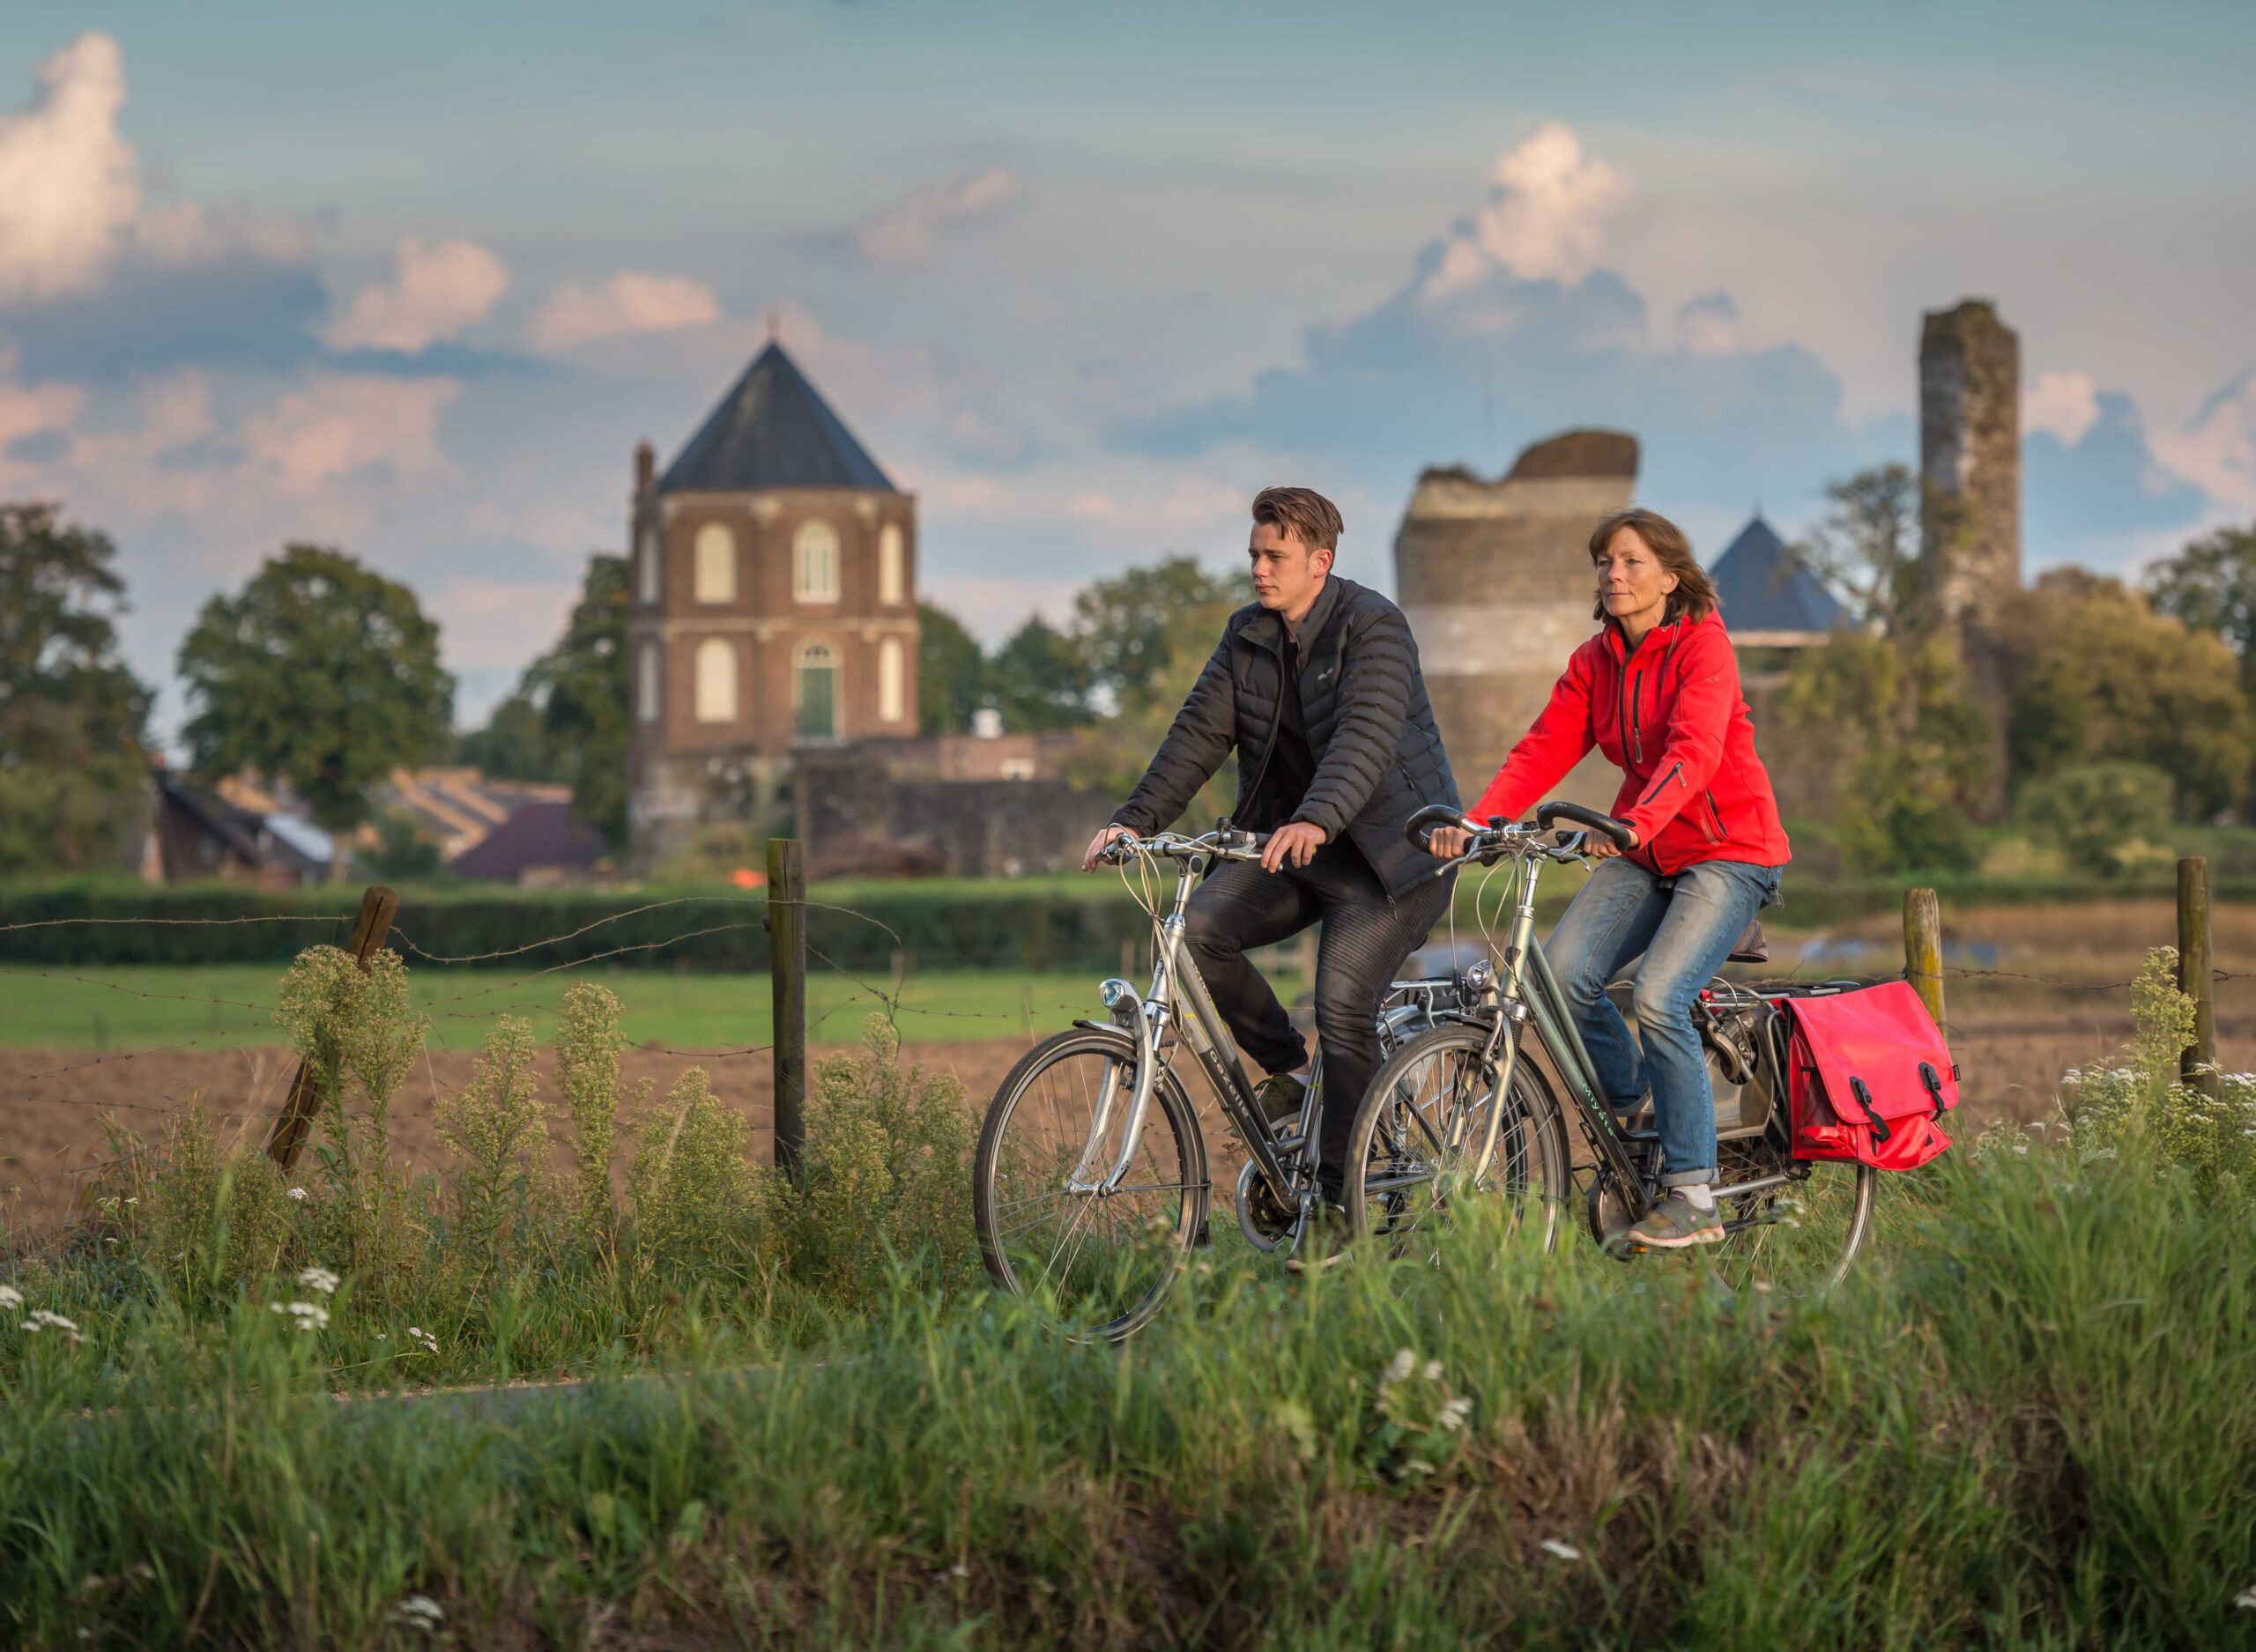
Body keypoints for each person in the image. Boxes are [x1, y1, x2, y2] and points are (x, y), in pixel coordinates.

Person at [1084, 486, 1459, 1227]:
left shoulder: (1375, 626)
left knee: (1344, 1010)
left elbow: (1366, 735)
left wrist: (1318, 817)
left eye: (1274, 555)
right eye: (1254, 553)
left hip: (1392, 861)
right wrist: (1133, 819)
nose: (1258, 568)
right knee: (1194, 933)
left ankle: (1338, 1207)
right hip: (1296, 847)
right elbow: (1196, 733)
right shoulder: (1247, 636)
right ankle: (1290, 1072)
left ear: (1320, 562)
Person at [1428, 507, 1790, 1250]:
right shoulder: (1596, 660)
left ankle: (1694, 1195)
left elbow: (1694, 752)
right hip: (1647, 849)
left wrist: (1631, 824)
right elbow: (1542, 748)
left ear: (1670, 575)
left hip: (1729, 847)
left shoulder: (1704, 646)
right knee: (1558, 975)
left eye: (1629, 561)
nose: (1613, 574)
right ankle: (1639, 1105)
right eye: (1603, 562)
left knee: (1660, 994)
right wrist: (1480, 821)